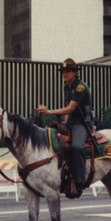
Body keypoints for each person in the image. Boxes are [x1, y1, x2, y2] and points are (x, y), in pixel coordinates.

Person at [37, 58, 93, 198]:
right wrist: (64, 124)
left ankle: (80, 181)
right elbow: (68, 111)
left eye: (68, 71)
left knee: (76, 147)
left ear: (75, 72)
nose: (64, 74)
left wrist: (49, 112)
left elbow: (70, 108)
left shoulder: (80, 87)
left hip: (81, 123)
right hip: (71, 122)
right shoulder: (67, 86)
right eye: (63, 71)